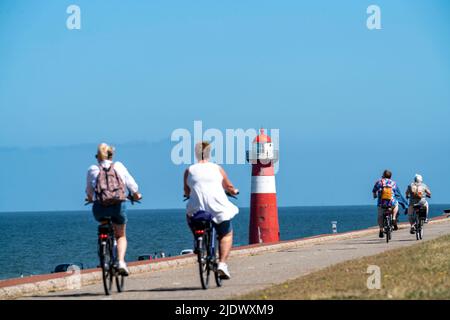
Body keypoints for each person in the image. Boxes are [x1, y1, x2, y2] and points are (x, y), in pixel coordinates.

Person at [184, 141, 239, 279]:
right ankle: (222, 264)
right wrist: (234, 191)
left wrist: (188, 194)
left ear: (196, 154)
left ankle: (198, 240)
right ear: (209, 153)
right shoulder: (217, 168)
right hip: (217, 207)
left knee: (189, 216)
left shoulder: (189, 170)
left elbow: (186, 191)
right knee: (226, 234)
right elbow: (229, 187)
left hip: (197, 209)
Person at [85, 143, 142, 276]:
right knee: (120, 235)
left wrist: (89, 198)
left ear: (98, 156)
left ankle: (103, 250)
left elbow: (89, 191)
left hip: (100, 209)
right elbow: (132, 185)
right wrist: (136, 194)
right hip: (118, 207)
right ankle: (120, 261)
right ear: (112, 155)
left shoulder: (93, 169)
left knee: (103, 225)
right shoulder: (118, 166)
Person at [372, 170, 399, 238]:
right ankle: (393, 218)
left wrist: (375, 195)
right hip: (391, 202)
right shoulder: (393, 183)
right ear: (390, 176)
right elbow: (396, 191)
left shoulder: (379, 182)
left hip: (382, 203)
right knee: (396, 205)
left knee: (380, 216)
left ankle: (381, 230)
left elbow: (374, 190)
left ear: (383, 175)